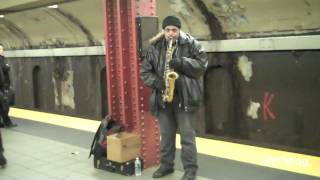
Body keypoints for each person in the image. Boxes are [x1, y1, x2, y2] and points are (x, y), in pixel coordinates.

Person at [140, 16, 208, 180]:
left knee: (187, 138)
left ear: (179, 30)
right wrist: (159, 83)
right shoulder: (154, 47)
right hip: (164, 98)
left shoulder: (192, 44)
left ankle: (190, 170)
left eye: (174, 30)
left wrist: (182, 63)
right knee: (166, 137)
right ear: (163, 31)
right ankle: (166, 166)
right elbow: (144, 72)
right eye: (168, 30)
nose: (171, 34)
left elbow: (201, 66)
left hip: (185, 98)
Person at [0, 44, 17, 128]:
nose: (2, 51)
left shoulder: (2, 58)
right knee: (5, 105)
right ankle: (7, 123)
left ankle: (5, 122)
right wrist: (4, 88)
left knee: (3, 105)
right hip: (3, 87)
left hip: (4, 86)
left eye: (2, 49)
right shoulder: (1, 59)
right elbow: (4, 69)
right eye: (0, 49)